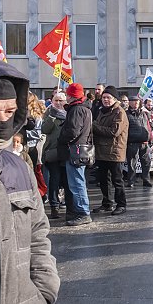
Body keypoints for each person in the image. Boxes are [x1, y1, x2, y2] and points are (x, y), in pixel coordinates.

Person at [0, 58, 60, 303]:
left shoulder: (19, 168)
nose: (1, 119)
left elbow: (38, 233)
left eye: (9, 111)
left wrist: (44, 292)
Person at [58, 82, 93, 226]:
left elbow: (73, 131)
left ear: (71, 96)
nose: (66, 97)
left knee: (77, 183)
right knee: (78, 182)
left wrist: (62, 138)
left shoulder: (77, 110)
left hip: (75, 150)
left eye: (67, 94)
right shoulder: (85, 109)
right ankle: (81, 211)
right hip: (80, 149)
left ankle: (83, 212)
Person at [92, 85, 129, 216]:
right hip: (101, 151)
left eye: (108, 97)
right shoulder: (102, 111)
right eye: (104, 97)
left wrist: (95, 127)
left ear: (115, 99)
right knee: (103, 179)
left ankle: (121, 204)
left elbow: (114, 131)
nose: (106, 100)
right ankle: (107, 203)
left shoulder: (119, 112)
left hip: (115, 152)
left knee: (117, 180)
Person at [42, 91, 69, 219]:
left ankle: (68, 204)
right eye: (56, 100)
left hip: (67, 152)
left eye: (61, 100)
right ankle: (54, 206)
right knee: (54, 179)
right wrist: (51, 117)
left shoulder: (70, 112)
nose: (58, 103)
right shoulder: (49, 112)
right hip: (53, 151)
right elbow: (44, 129)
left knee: (66, 179)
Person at [125, 96, 153, 188]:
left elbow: (148, 126)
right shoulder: (126, 114)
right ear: (129, 103)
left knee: (146, 162)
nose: (136, 103)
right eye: (133, 101)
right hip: (132, 142)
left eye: (137, 101)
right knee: (132, 163)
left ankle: (146, 180)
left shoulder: (144, 114)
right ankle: (131, 181)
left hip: (144, 142)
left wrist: (150, 138)